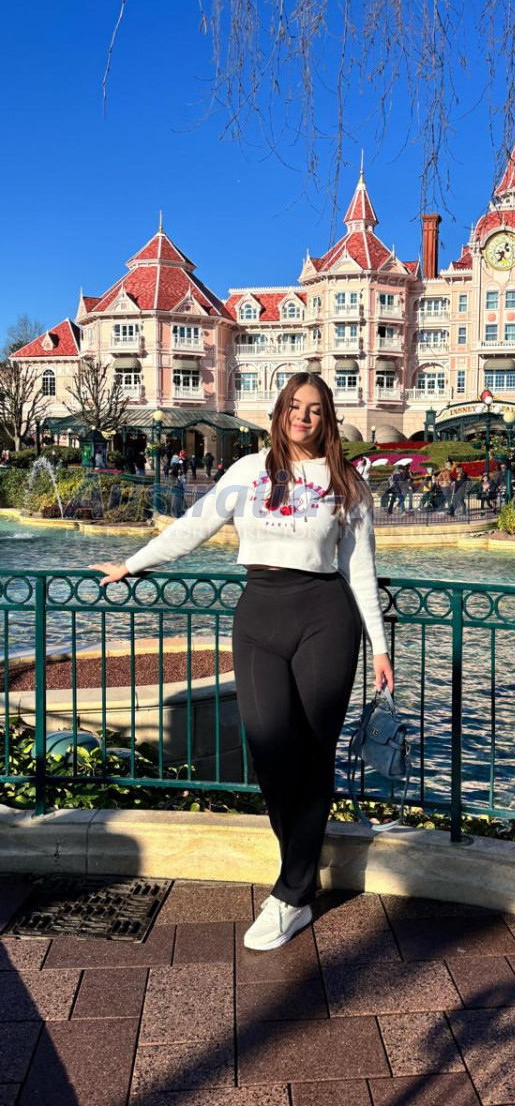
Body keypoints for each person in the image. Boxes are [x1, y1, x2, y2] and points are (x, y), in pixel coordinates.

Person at [89, 373, 392, 952]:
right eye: (294, 406)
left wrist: (379, 646)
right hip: (259, 616)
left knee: (313, 753)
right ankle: (298, 871)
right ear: (279, 413)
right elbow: (193, 525)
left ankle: (291, 894)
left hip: (325, 619)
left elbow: (360, 568)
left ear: (327, 419)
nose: (303, 417)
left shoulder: (346, 483)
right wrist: (133, 565)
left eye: (315, 409)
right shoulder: (248, 471)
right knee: (271, 751)